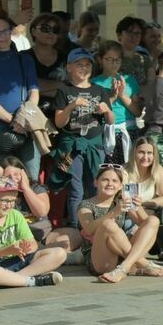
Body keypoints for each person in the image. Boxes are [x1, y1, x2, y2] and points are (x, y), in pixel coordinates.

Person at [52, 47, 115, 224]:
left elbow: (111, 121)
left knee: (97, 186)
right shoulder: (64, 91)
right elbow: (59, 122)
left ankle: (98, 224)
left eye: (87, 64)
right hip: (72, 146)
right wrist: (71, 106)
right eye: (79, 64)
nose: (84, 68)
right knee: (75, 188)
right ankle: (75, 226)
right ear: (69, 67)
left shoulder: (100, 90)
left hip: (95, 145)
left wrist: (106, 111)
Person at [77, 163, 163, 283]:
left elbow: (147, 226)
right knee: (108, 225)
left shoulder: (121, 203)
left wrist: (138, 207)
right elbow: (89, 229)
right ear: (96, 183)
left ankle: (124, 267)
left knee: (153, 220)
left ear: (120, 186)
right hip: (99, 260)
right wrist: (114, 212)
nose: (110, 184)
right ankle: (144, 264)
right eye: (105, 180)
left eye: (115, 181)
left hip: (121, 256)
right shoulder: (86, 205)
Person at [0, 175, 65, 287]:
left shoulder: (16, 215)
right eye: (4, 200)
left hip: (17, 260)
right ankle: (21, 279)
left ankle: (15, 279)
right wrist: (8, 250)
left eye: (13, 200)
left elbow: (33, 244)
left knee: (60, 253)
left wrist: (25, 248)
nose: (9, 205)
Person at [0, 11, 41, 177]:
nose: (3, 35)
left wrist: (24, 118)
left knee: (30, 176)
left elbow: (34, 91)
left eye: (6, 30)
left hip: (26, 122)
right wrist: (12, 120)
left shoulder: (25, 59)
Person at [92, 42, 142, 165]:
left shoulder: (129, 80)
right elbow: (96, 110)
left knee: (129, 170)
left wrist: (122, 94)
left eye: (117, 60)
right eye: (109, 59)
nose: (114, 63)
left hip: (129, 131)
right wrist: (113, 96)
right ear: (100, 59)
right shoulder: (94, 83)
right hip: (106, 132)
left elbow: (137, 111)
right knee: (109, 169)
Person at [114, 17, 150, 87]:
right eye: (129, 32)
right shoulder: (109, 58)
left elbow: (151, 83)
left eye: (137, 33)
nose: (133, 36)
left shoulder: (145, 59)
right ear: (119, 35)